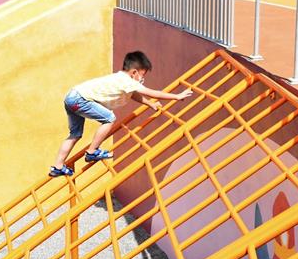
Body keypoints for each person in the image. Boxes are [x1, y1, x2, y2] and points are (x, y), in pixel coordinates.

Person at [50, 51, 193, 177]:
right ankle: (92, 152)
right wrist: (176, 96)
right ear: (134, 72)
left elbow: (133, 94)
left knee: (75, 134)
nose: (142, 79)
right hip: (80, 99)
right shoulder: (126, 80)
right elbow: (152, 92)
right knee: (109, 118)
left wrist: (150, 104)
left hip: (72, 96)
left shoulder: (121, 79)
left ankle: (58, 167)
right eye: (142, 75)